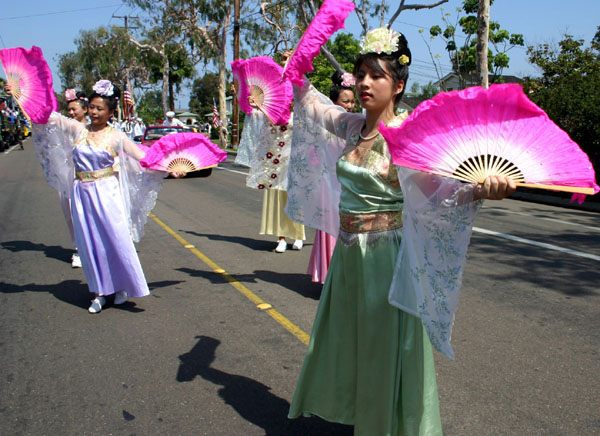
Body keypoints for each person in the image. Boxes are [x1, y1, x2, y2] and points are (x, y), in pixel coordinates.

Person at [285, 28, 516, 435]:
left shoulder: (408, 136)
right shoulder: (353, 126)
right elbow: (312, 106)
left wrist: (482, 190)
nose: (365, 83)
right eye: (361, 75)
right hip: (348, 256)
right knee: (348, 343)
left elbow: (441, 191)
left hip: (385, 260)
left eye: (377, 76)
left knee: (381, 350)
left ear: (398, 85)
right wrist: (297, 70)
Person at [11, 80, 179, 314]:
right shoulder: (78, 130)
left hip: (107, 193)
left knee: (115, 240)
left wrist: (170, 167)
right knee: (90, 243)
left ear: (111, 112)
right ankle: (99, 292)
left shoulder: (116, 136)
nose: (94, 112)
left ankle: (122, 287)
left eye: (100, 108)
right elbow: (49, 117)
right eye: (91, 107)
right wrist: (21, 96)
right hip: (82, 193)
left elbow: (144, 158)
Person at [235, 91, 305, 253]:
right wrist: (247, 100)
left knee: (295, 201)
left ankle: (298, 236)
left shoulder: (300, 116)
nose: (288, 102)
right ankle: (281, 238)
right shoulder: (270, 115)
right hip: (276, 167)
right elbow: (252, 113)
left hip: (294, 166)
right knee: (278, 202)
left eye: (291, 99)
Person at [306, 70, 356, 283]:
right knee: (331, 228)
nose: (350, 105)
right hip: (329, 184)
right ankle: (329, 275)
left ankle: (344, 276)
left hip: (348, 185)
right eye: (345, 101)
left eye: (352, 101)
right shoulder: (326, 124)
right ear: (334, 102)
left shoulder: (354, 124)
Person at [62, 88, 90, 267]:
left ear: (85, 109)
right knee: (72, 213)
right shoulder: (65, 127)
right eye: (69, 110)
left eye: (74, 109)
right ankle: (79, 248)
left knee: (88, 213)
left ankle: (92, 247)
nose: (71, 113)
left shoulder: (92, 128)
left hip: (88, 176)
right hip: (69, 175)